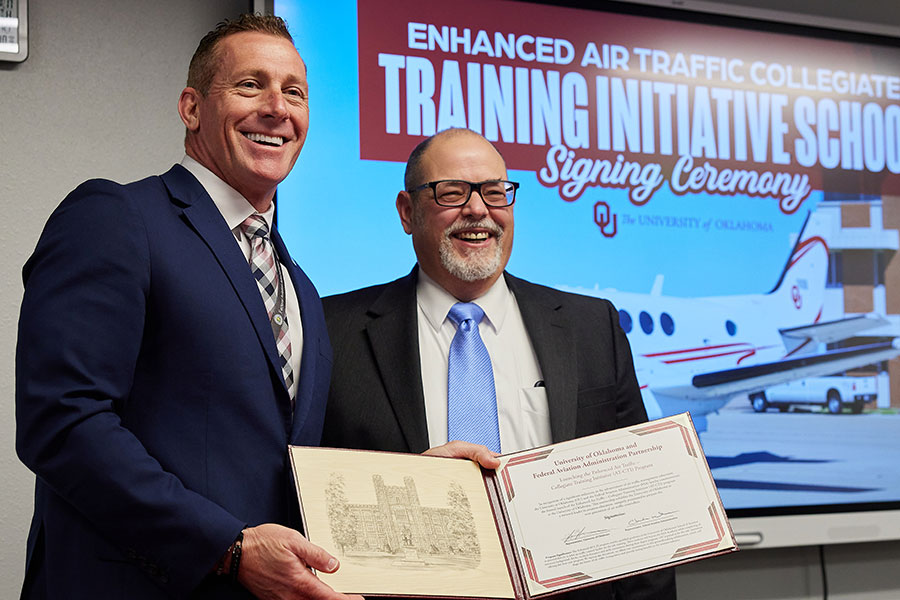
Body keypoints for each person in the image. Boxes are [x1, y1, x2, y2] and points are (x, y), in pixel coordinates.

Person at [16, 14, 381, 600]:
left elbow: (285, 464)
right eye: (249, 85)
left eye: (295, 92)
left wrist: (422, 482)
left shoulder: (302, 290)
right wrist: (226, 548)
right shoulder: (117, 218)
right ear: (191, 108)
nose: (277, 108)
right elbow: (63, 422)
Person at [321, 128, 677, 599]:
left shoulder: (593, 327)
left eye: (495, 192)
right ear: (407, 212)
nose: (477, 210)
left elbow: (642, 509)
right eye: (451, 193)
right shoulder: (331, 330)